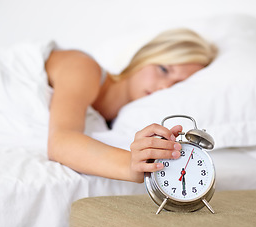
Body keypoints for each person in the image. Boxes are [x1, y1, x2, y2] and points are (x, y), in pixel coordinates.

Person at [45, 28, 217, 183]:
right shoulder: (83, 68)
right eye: (164, 70)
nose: (164, 87)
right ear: (144, 57)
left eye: (176, 85)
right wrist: (131, 164)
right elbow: (60, 142)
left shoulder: (117, 121)